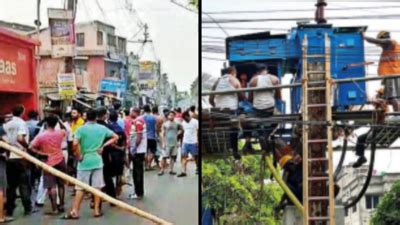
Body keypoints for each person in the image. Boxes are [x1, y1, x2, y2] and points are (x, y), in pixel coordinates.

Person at [63, 109, 118, 219]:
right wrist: (103, 146)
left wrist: (78, 155)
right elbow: (115, 137)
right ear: (96, 117)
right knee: (97, 187)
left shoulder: (81, 129)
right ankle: (97, 210)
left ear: (86, 117)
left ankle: (75, 211)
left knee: (80, 188)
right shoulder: (102, 128)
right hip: (97, 160)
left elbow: (74, 144)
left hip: (84, 161)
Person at [30, 115, 67, 215]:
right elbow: (65, 129)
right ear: (56, 124)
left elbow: (31, 147)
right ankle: (62, 205)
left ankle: (54, 208)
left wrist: (41, 153)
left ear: (46, 123)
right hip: (60, 160)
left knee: (51, 186)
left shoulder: (41, 136)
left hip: (48, 162)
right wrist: (60, 121)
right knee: (61, 184)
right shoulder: (60, 133)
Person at [3, 105, 35, 217]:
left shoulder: (6, 124)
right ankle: (27, 208)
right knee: (24, 184)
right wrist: (28, 147)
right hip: (21, 156)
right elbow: (20, 138)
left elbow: (4, 139)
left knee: (11, 185)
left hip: (10, 156)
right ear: (23, 112)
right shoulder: (21, 123)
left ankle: (9, 209)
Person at [209, 66, 244, 160]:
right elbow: (242, 96)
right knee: (235, 126)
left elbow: (210, 99)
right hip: (231, 112)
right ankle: (235, 150)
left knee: (231, 124)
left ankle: (229, 148)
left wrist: (216, 106)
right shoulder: (235, 80)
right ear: (233, 72)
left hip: (218, 113)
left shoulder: (216, 82)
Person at [363, 31, 400, 111]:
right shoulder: (390, 49)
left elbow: (377, 41)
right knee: (392, 97)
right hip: (392, 74)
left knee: (393, 96)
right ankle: (396, 114)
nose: (380, 46)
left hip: (391, 74)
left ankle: (397, 115)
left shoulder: (390, 42)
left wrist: (364, 37)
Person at [352, 88, 388, 168]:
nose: (377, 95)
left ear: (382, 95)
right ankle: (361, 156)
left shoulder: (382, 102)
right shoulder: (378, 106)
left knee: (363, 138)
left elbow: (374, 101)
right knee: (361, 139)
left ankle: (361, 156)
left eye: (378, 94)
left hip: (378, 128)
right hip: (374, 128)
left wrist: (365, 97)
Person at [129, 108, 147, 199]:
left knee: (137, 172)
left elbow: (139, 136)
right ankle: (139, 192)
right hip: (139, 150)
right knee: (137, 171)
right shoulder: (139, 120)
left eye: (131, 111)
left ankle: (138, 192)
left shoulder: (138, 121)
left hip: (138, 151)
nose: (129, 112)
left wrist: (134, 149)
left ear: (134, 112)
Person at [159, 111, 183, 176]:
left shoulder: (177, 123)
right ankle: (162, 170)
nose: (171, 116)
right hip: (166, 143)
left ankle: (171, 170)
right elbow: (162, 134)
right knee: (164, 157)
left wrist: (178, 133)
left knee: (173, 157)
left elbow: (181, 129)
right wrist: (163, 143)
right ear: (168, 116)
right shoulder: (165, 124)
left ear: (174, 116)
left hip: (174, 143)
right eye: (170, 115)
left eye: (172, 115)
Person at [0, 116, 13, 222]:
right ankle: (1, 216)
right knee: (0, 190)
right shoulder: (0, 129)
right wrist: (7, 153)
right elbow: (7, 142)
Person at [178, 111, 199, 177]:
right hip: (185, 142)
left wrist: (198, 141)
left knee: (196, 157)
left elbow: (198, 131)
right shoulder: (183, 122)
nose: (184, 120)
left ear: (188, 116)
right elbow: (183, 131)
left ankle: (198, 168)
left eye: (185, 118)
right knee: (184, 156)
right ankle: (183, 171)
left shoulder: (195, 122)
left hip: (193, 142)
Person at [142, 105, 158, 170]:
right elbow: (156, 128)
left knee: (144, 151)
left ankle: (146, 165)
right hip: (152, 137)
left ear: (143, 109)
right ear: (150, 109)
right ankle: (149, 164)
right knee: (153, 151)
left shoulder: (141, 117)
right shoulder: (153, 118)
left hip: (143, 137)